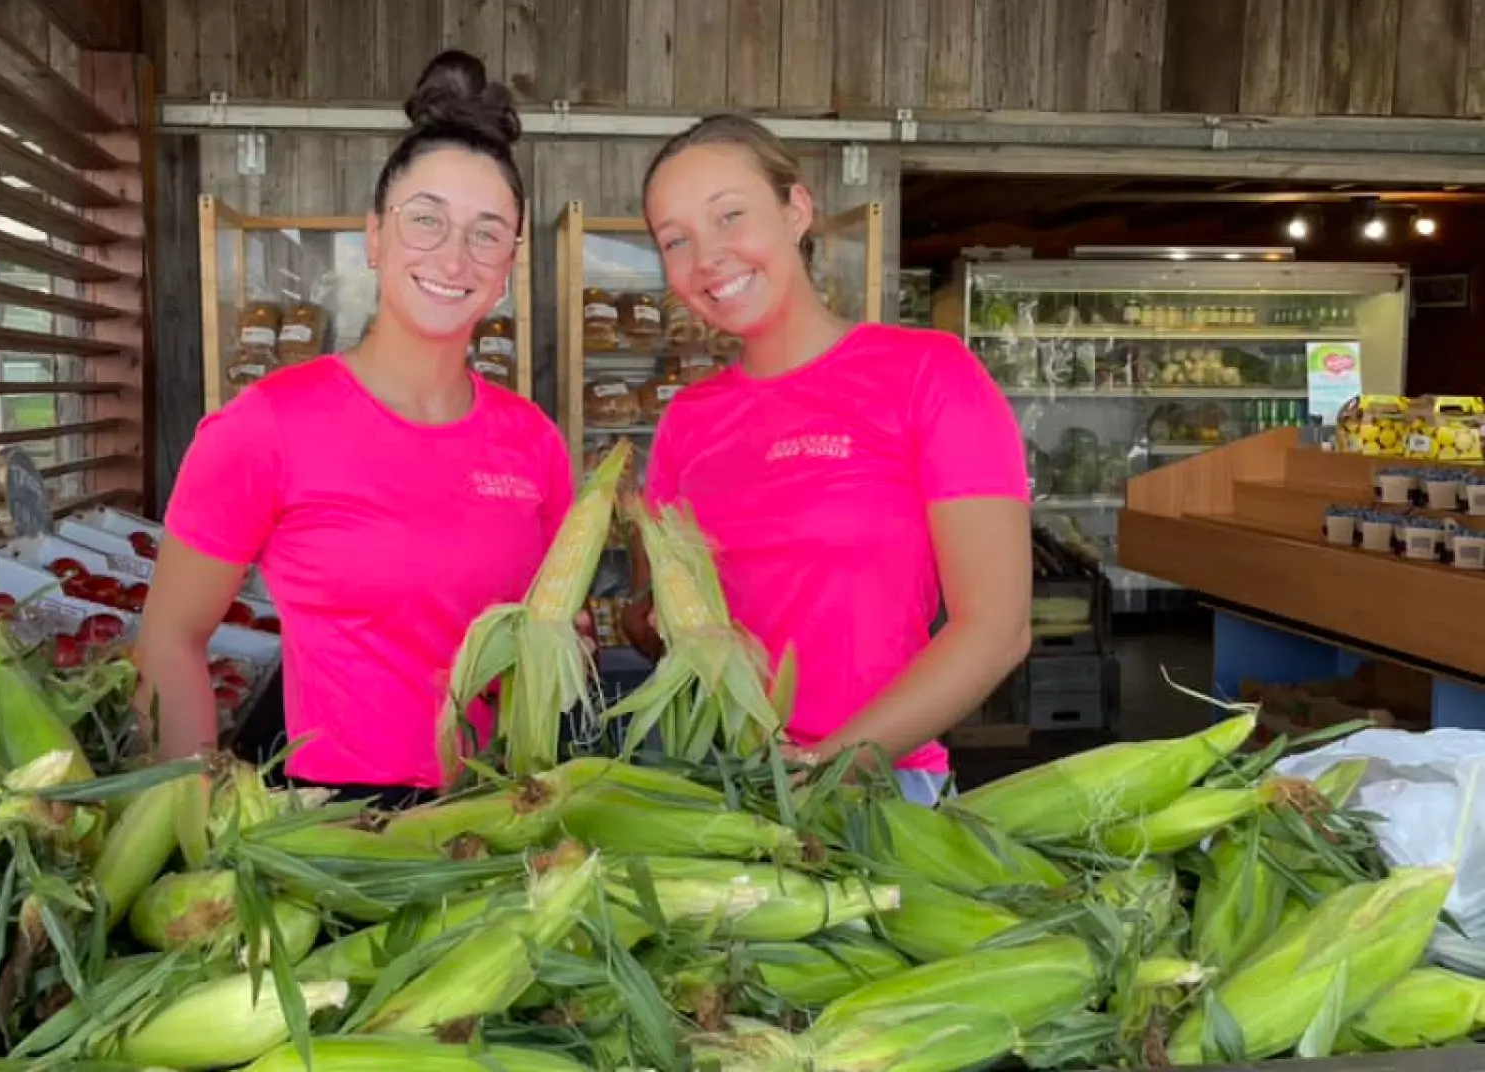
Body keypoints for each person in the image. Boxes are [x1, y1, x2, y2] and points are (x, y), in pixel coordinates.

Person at [135, 50, 576, 809]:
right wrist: (196, 821)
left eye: (486, 232)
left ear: (509, 263)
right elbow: (169, 641)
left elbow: (547, 640)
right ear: (374, 236)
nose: (453, 255)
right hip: (325, 825)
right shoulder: (267, 425)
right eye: (425, 220)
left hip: (494, 819)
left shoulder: (534, 443)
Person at [624, 115, 1033, 806]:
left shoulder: (928, 375)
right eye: (676, 240)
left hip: (885, 788)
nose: (708, 257)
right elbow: (658, 625)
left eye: (731, 216)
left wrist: (831, 767)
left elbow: (996, 628)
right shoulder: (686, 423)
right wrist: (644, 623)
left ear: (796, 210)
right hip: (720, 790)